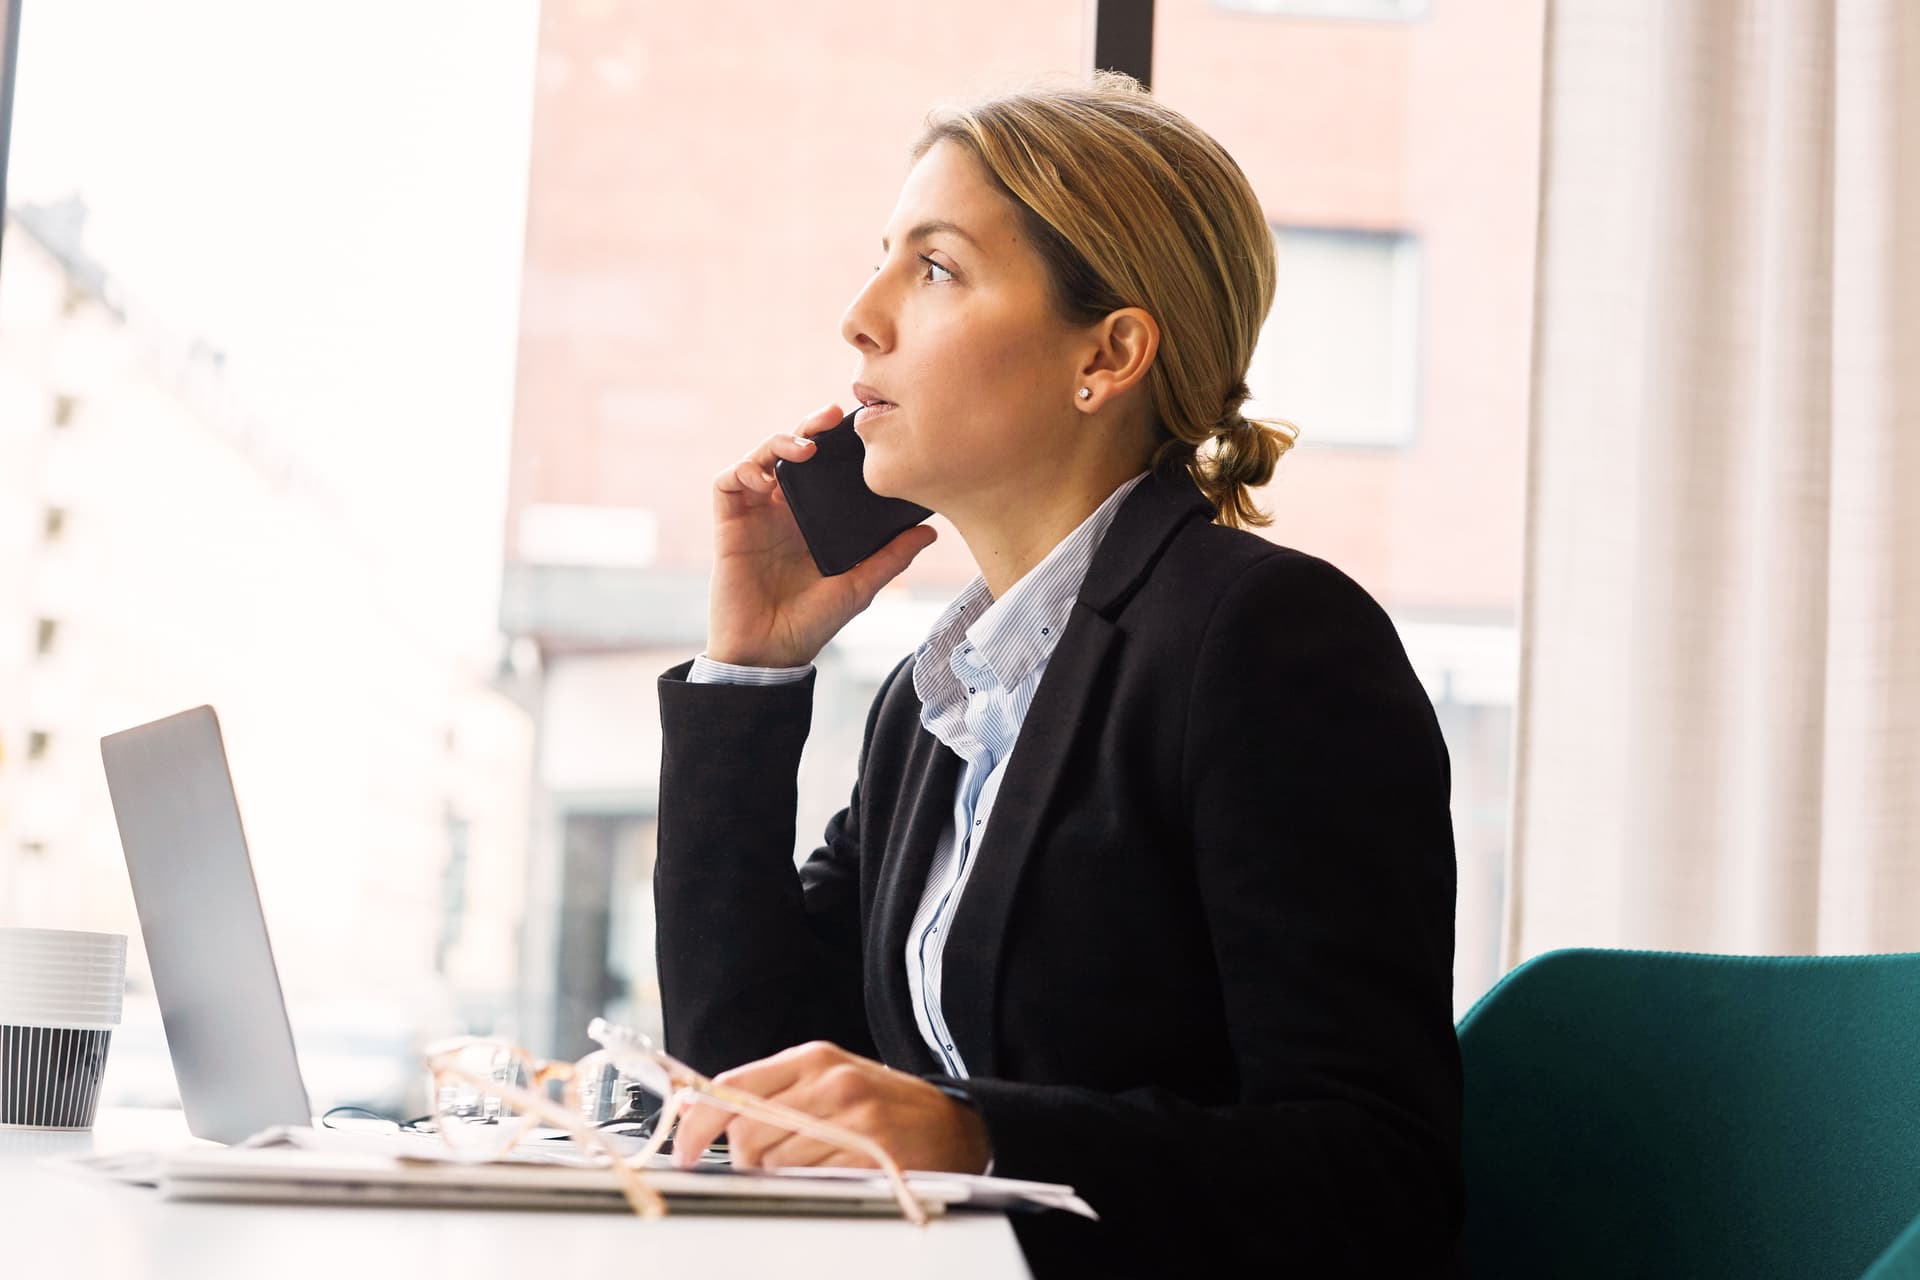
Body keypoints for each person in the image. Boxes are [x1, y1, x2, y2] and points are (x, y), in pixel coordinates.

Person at [652, 70, 1464, 1277]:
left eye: (934, 268)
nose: (861, 318)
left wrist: (977, 1134)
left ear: (1109, 352)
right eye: (885, 258)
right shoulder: (944, 701)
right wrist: (750, 676)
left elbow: (1376, 1174)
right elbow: (752, 1068)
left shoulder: (1269, 641)